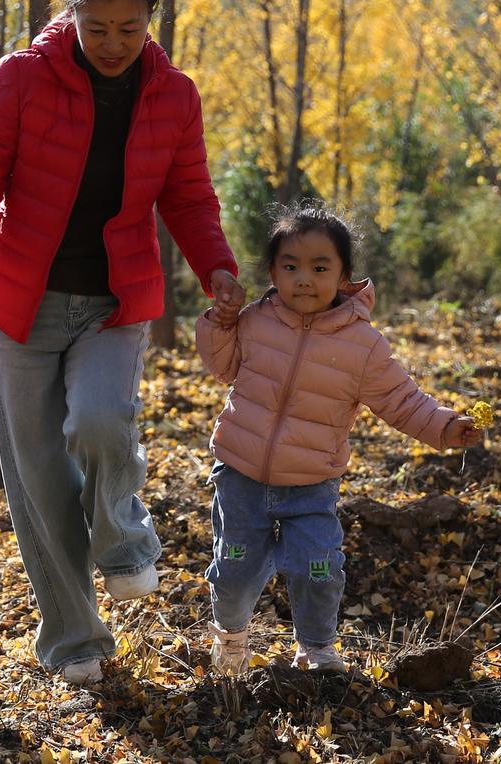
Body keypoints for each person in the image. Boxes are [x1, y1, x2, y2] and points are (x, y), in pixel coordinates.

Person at [0, 0, 243, 686]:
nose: (113, 43)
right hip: (18, 303)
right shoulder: (19, 78)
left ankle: (124, 540)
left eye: (129, 28)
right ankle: (75, 642)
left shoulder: (175, 95)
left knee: (104, 422)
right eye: (98, 26)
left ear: (151, 21)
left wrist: (217, 268)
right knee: (39, 482)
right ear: (70, 15)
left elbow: (189, 196)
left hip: (115, 299)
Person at [195, 204, 484, 675]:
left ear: (345, 276)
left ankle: (316, 648)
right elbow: (222, 365)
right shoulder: (255, 320)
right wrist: (220, 322)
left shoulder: (363, 345)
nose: (303, 279)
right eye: (290, 267)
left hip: (311, 484)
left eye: (319, 268)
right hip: (241, 474)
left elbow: (401, 399)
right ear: (272, 271)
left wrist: (446, 427)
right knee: (235, 571)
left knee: (317, 568)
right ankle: (230, 638)